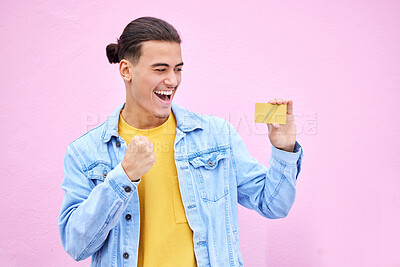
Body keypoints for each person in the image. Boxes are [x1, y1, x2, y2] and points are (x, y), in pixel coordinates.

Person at [58, 16, 304, 267]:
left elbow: (274, 205)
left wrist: (283, 149)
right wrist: (124, 175)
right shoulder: (86, 152)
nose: (172, 81)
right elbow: (76, 245)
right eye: (160, 69)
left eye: (178, 69)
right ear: (126, 70)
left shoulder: (215, 136)